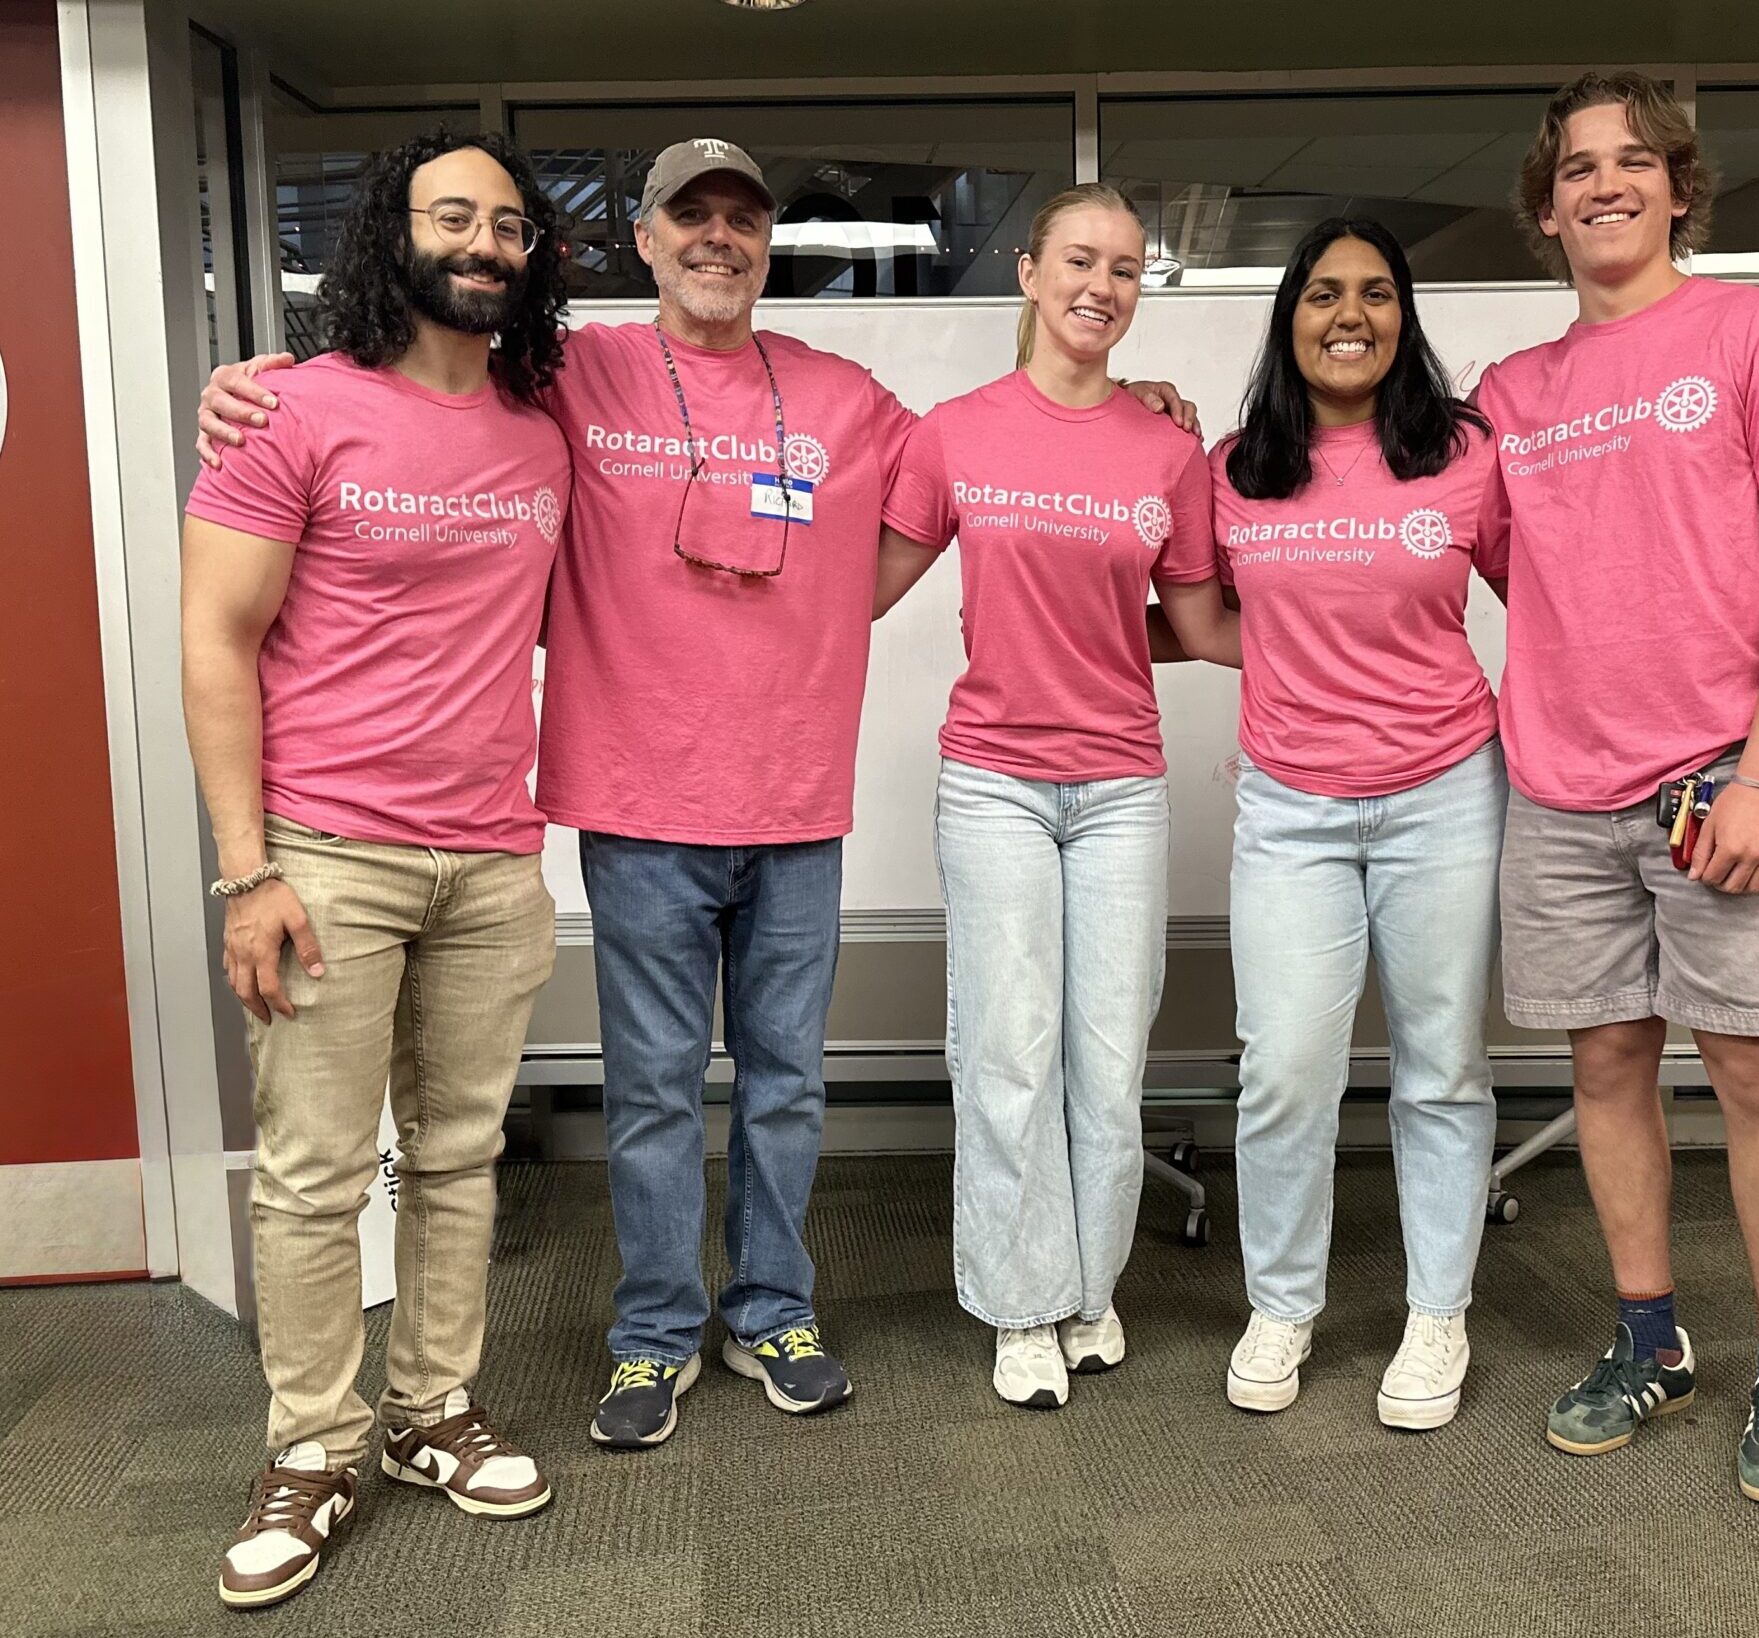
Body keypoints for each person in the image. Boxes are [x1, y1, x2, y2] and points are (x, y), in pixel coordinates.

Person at [198, 140, 1197, 1450]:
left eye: (742, 217)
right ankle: (655, 1331)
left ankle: (775, 1310)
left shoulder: (847, 399)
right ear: (648, 243)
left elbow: (1016, 439)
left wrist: (1145, 407)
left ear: (764, 243)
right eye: (691, 217)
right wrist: (261, 383)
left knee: (786, 1087)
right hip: (637, 805)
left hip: (794, 808)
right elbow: (423, 383)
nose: (718, 237)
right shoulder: (567, 375)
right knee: (655, 1091)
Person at [183, 131, 570, 1609]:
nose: (481, 240)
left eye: (508, 226)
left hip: (489, 857)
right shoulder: (290, 410)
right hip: (326, 856)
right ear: (390, 237)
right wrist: (246, 872)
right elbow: (214, 640)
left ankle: (429, 1412)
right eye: (451, 215)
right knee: (312, 1173)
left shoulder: (542, 425)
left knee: (460, 1156)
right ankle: (311, 1446)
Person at [1475, 71, 1759, 1505]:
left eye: (1630, 161)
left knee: (1754, 1067)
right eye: (1575, 168)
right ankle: (1649, 1339)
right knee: (1602, 1070)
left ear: (1678, 186)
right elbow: (1376, 494)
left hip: (1720, 782)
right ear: (1545, 203)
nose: (1602, 185)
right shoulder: (1512, 395)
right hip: (1562, 792)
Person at [873, 185, 1238, 1408]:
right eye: (1079, 260)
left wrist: (1336, 605)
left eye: (1127, 270)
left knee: (1104, 1050)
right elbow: (854, 586)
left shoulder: (1166, 449)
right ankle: (1020, 1305)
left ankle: (1089, 1287)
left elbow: (1192, 623)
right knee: (1009, 1049)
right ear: (1028, 272)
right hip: (994, 783)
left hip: (1122, 786)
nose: (1101, 286)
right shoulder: (954, 432)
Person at [1153, 218, 1508, 1424]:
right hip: (1292, 807)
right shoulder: (1235, 465)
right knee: (1286, 1071)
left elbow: (1551, 598)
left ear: (1403, 316)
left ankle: (1436, 1313)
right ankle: (1284, 1303)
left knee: (1440, 1068)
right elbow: (1200, 624)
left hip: (1445, 791)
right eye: (1319, 295)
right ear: (1286, 318)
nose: (1345, 315)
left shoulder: (1464, 453)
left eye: (1371, 293)